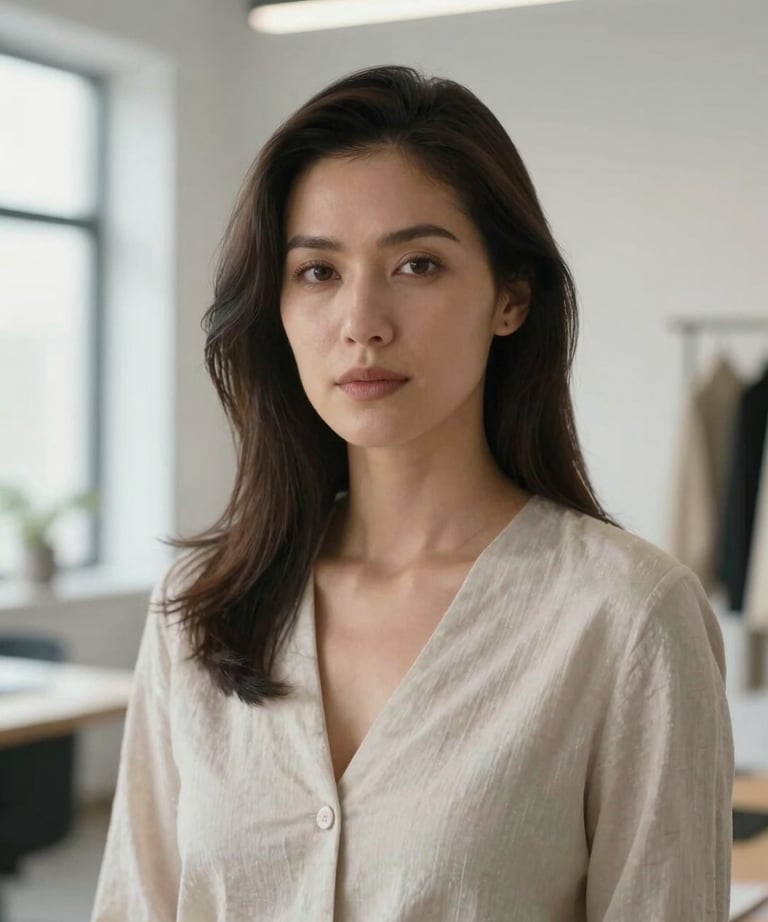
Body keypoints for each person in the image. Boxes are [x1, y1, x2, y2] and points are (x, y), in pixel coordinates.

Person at [90, 64, 733, 921]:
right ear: (274, 306)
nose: (362, 321)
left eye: (417, 264)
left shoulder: (626, 617)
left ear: (510, 297)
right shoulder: (201, 605)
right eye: (318, 272)